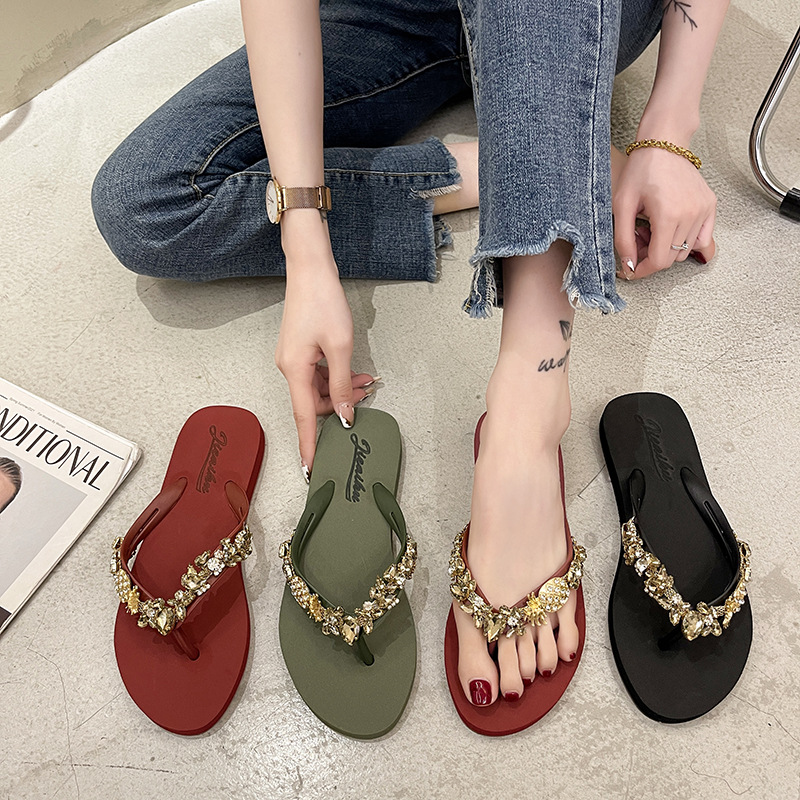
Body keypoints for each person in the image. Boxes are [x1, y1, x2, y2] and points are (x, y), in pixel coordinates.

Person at [92, 0, 727, 714]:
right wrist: (306, 248)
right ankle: (505, 170)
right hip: (400, 14)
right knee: (143, 202)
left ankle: (530, 404)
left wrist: (667, 135)